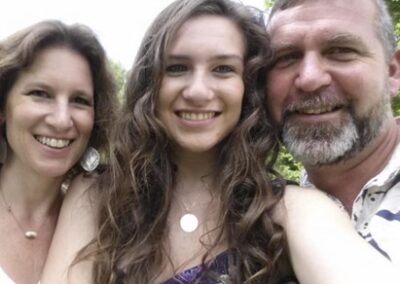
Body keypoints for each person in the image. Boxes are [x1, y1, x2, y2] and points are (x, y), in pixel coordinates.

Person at [42, 0, 297, 283]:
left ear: (248, 86)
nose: (198, 91)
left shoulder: (287, 209)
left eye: (223, 69)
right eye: (177, 68)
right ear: (150, 82)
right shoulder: (96, 195)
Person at [266, 0, 400, 283]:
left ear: (392, 72)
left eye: (341, 51)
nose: (310, 79)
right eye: (286, 57)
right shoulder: (256, 222)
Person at [0, 20, 116, 284]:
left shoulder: (111, 226)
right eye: (40, 94)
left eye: (80, 100)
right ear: (3, 108)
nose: (62, 120)